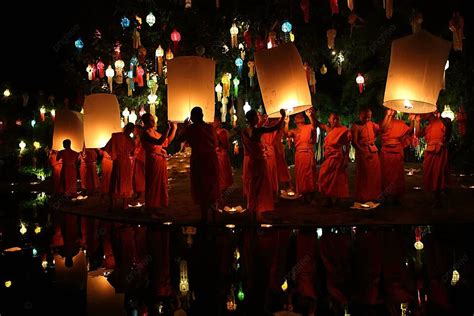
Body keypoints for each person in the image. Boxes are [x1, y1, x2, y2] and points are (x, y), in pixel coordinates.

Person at [242, 108, 286, 222]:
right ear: (254, 118)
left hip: (251, 162)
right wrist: (283, 116)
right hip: (259, 162)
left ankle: (252, 212)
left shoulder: (244, 132)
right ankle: (259, 216)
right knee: (260, 187)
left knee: (252, 187)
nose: (258, 118)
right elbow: (275, 128)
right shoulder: (258, 131)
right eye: (257, 116)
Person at [178, 107, 220, 223]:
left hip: (199, 160)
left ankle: (204, 215)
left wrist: (185, 127)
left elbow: (180, 138)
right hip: (211, 159)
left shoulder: (191, 128)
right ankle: (214, 212)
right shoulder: (210, 128)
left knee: (202, 186)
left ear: (193, 117)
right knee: (211, 184)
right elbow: (216, 143)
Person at [142, 113, 177, 211]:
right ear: (145, 122)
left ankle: (158, 206)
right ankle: (151, 207)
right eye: (150, 120)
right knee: (153, 183)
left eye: (153, 120)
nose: (153, 122)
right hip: (153, 160)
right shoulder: (145, 133)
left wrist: (174, 128)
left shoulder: (155, 132)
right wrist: (167, 129)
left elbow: (167, 141)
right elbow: (159, 142)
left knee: (161, 183)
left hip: (160, 160)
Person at [415, 112, 450, 208]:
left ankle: (438, 198)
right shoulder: (428, 127)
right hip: (430, 152)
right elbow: (418, 134)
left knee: (438, 174)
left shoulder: (442, 123)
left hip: (439, 152)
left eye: (425, 113)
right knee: (430, 174)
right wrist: (417, 121)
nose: (423, 115)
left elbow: (446, 136)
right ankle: (437, 198)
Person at [379, 109, 415, 205]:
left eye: (393, 111)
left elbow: (410, 131)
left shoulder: (400, 123)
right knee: (386, 174)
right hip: (386, 152)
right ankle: (385, 195)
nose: (392, 111)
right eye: (389, 110)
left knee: (397, 174)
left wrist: (412, 120)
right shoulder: (382, 122)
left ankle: (396, 196)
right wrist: (388, 115)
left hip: (397, 152)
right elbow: (383, 129)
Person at [316, 113, 351, 207]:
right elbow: (319, 124)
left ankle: (338, 199)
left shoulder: (343, 130)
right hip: (329, 157)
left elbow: (347, 145)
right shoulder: (329, 129)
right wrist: (310, 115)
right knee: (324, 176)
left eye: (337, 119)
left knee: (337, 178)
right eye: (333, 119)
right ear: (329, 120)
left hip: (337, 156)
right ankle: (328, 199)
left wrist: (346, 158)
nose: (335, 121)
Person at [284, 109, 317, 203]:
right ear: (294, 121)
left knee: (310, 175)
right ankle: (303, 194)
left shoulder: (308, 126)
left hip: (308, 153)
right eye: (297, 116)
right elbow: (286, 134)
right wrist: (286, 122)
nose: (299, 117)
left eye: (301, 116)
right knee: (301, 175)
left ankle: (312, 195)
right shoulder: (294, 131)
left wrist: (310, 116)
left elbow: (314, 126)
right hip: (299, 155)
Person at [351, 108, 382, 203]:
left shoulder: (371, 124)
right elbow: (354, 142)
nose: (367, 119)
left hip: (373, 151)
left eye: (369, 117)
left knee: (375, 175)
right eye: (365, 117)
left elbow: (382, 129)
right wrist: (362, 152)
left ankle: (374, 195)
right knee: (364, 176)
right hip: (362, 152)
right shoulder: (356, 126)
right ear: (360, 116)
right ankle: (363, 197)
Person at [103, 123, 136, 210]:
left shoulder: (117, 137)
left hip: (120, 161)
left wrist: (113, 154)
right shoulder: (129, 140)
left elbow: (107, 148)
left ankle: (114, 204)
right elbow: (133, 152)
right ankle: (123, 204)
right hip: (124, 161)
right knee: (123, 181)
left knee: (117, 181)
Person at [213, 116, 234, 193]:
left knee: (222, 174)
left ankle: (222, 189)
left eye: (214, 121)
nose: (212, 123)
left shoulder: (222, 132)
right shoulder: (212, 132)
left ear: (218, 122)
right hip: (215, 155)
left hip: (221, 155)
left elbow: (225, 145)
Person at [132, 125, 146, 204]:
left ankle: (141, 192)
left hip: (140, 158)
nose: (134, 131)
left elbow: (141, 148)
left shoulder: (141, 138)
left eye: (135, 129)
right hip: (136, 157)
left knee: (139, 176)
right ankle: (138, 192)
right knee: (135, 176)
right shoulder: (136, 138)